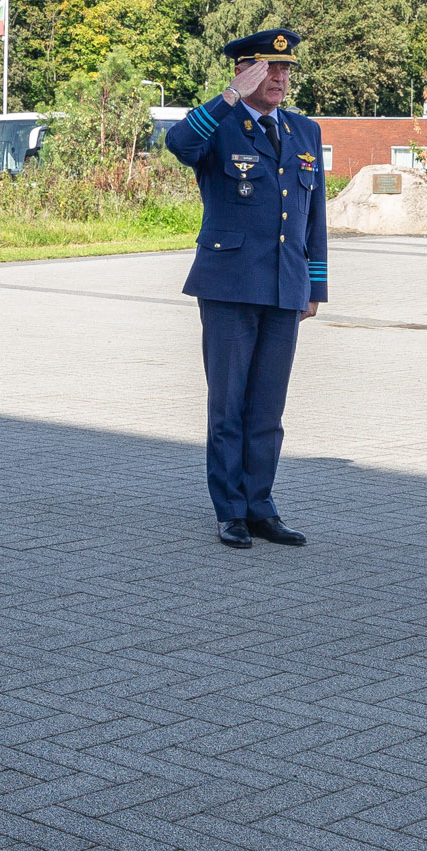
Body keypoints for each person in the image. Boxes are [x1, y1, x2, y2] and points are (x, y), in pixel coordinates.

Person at [164, 28, 328, 549]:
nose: (279, 78)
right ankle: (230, 509)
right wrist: (230, 96)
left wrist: (315, 283)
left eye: (284, 70)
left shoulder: (305, 131)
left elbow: (314, 214)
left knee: (267, 409)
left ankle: (261, 506)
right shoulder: (221, 124)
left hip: (284, 284)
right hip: (231, 284)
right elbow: (179, 143)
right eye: (266, 69)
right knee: (228, 404)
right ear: (242, 71)